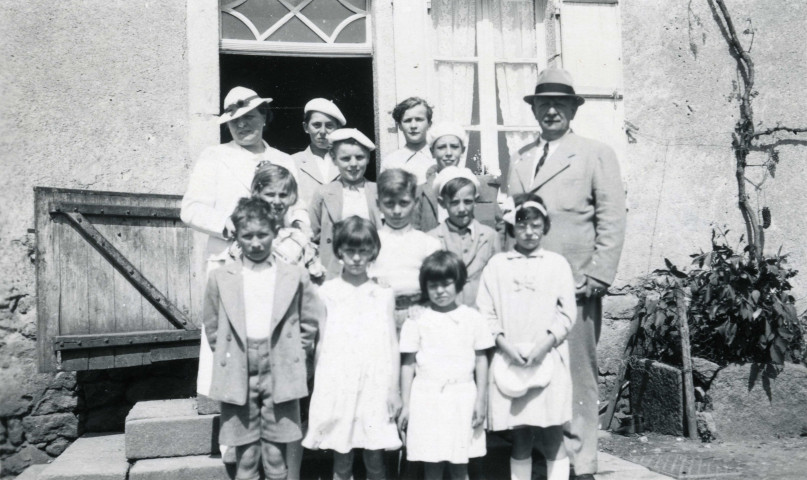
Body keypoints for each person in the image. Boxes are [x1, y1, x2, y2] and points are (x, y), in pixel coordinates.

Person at [181, 87, 310, 472]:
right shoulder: (215, 157)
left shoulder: (280, 158)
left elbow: (296, 204)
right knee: (231, 354)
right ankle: (233, 448)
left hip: (272, 266)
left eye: (251, 117)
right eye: (236, 120)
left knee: (268, 346)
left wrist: (299, 231)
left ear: (265, 117)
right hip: (229, 261)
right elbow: (190, 207)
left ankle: (274, 443)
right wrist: (230, 228)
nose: (243, 125)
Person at [506, 68, 627, 479]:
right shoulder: (521, 157)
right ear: (534, 109)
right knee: (533, 372)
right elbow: (512, 223)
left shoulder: (595, 153)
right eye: (544, 103)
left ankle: (583, 465)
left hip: (576, 284)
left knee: (578, 376)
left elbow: (612, 219)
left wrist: (599, 274)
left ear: (574, 109)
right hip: (527, 286)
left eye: (560, 103)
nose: (551, 110)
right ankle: (548, 460)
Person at [201, 197, 323, 480]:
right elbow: (212, 325)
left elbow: (308, 319)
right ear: (237, 235)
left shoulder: (293, 275)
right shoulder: (222, 276)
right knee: (246, 457)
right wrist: (229, 355)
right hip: (239, 370)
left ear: (275, 231)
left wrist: (295, 352)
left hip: (280, 368)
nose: (255, 243)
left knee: (276, 455)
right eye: (248, 236)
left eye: (263, 235)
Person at [476, 194, 577, 480]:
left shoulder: (557, 265)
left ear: (545, 226)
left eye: (535, 225)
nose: (529, 232)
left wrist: (544, 346)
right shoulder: (498, 266)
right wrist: (505, 347)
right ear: (511, 229)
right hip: (511, 361)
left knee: (552, 433)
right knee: (520, 437)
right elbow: (486, 312)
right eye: (522, 227)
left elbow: (567, 313)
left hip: (548, 358)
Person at [303, 216, 402, 480]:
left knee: (374, 457)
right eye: (350, 251)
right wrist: (320, 388)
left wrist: (393, 389)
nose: (357, 258)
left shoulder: (383, 294)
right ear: (339, 252)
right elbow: (321, 342)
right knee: (342, 457)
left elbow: (392, 343)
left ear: (373, 252)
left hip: (374, 384)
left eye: (363, 251)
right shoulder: (327, 292)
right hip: (339, 382)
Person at [398, 250, 493, 480]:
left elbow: (481, 359)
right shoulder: (417, 319)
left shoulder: (472, 318)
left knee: (460, 463)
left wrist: (481, 399)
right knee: (432, 462)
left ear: (458, 283)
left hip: (462, 397)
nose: (440, 291)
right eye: (433, 285)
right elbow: (408, 365)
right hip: (426, 399)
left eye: (446, 284)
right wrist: (406, 405)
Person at [368, 169, 441, 330]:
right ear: (378, 203)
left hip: (420, 314)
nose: (396, 211)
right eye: (389, 203)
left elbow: (437, 283)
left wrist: (425, 304)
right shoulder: (370, 243)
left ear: (415, 202)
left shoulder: (428, 243)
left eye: (403, 203)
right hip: (378, 317)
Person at [308, 128, 383, 279]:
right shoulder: (323, 193)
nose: (353, 164)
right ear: (334, 159)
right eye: (346, 158)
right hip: (334, 271)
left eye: (360, 157)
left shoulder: (378, 192)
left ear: (368, 158)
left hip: (372, 268)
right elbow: (314, 235)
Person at [427, 166, 501, 307]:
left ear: (475, 200)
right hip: (446, 315)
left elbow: (498, 281)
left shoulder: (490, 236)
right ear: (443, 203)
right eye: (454, 202)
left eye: (467, 202)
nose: (462, 209)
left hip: (481, 315)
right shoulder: (432, 239)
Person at [249, 162, 325, 280]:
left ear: (292, 197)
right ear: (257, 195)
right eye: (270, 194)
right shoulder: (245, 240)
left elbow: (317, 282)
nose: (277, 201)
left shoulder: (300, 240)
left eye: (283, 195)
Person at [292, 98, 346, 208]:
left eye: (329, 125)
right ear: (306, 127)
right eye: (316, 125)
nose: (322, 131)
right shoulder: (292, 161)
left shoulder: (347, 160)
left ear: (338, 128)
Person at [414, 122, 467, 231]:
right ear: (432, 152)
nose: (448, 153)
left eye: (454, 147)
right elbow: (413, 232)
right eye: (441, 147)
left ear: (462, 151)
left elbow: (498, 227)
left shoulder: (474, 186)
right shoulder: (419, 192)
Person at [380, 97, 435, 185]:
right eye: (407, 121)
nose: (413, 125)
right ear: (400, 126)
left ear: (429, 124)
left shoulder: (438, 158)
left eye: (419, 119)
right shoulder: (391, 162)